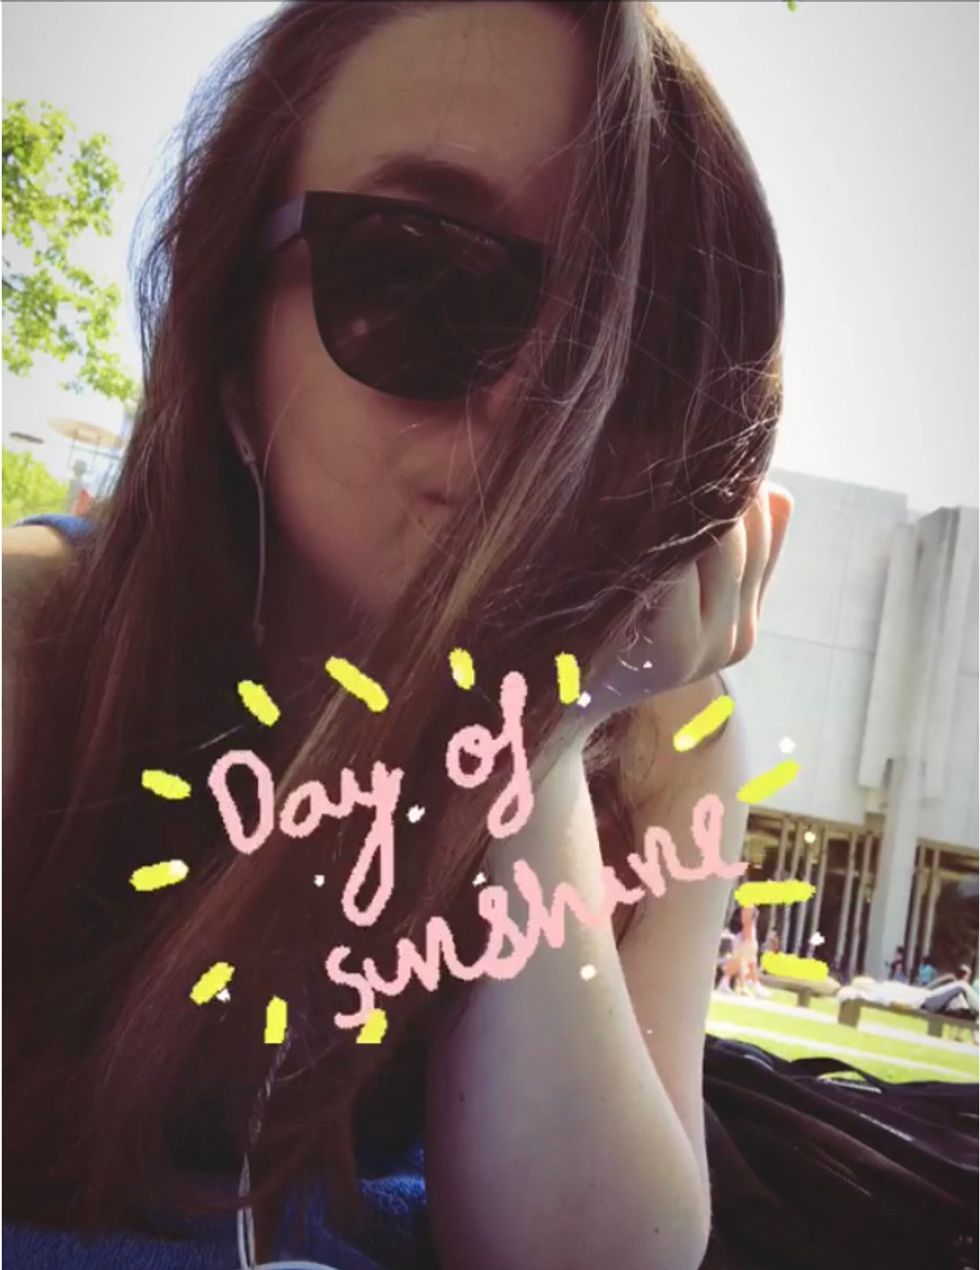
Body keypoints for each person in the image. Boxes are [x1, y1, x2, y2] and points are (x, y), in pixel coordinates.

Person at [3, 5, 792, 1269]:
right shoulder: (35, 651)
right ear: (229, 351)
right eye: (420, 273)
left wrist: (533, 732)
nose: (543, 403)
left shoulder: (663, 743)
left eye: (638, 347)